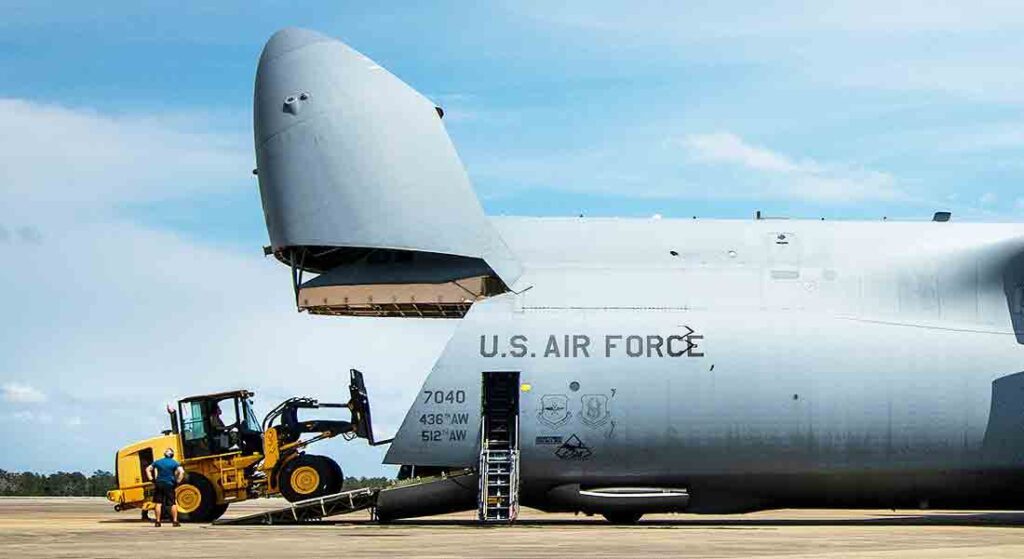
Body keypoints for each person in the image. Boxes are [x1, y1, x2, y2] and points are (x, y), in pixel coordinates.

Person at [146, 448, 185, 527]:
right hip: (170, 484)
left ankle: (157, 522)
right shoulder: (174, 463)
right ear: (172, 455)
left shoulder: (158, 462)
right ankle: (175, 521)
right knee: (172, 503)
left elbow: (147, 469)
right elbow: (182, 472)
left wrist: (151, 479)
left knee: (158, 503)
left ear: (164, 454)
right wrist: (178, 481)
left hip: (159, 483)